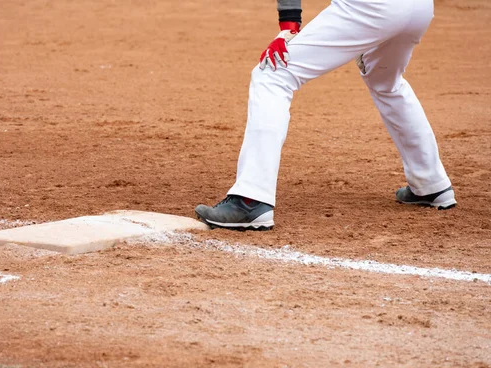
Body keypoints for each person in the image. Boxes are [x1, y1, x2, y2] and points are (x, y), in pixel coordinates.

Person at [195, 0, 456, 231]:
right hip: (420, 7)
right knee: (386, 82)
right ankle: (430, 183)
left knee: (272, 73)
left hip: (372, 7)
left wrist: (289, 26)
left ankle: (250, 199)